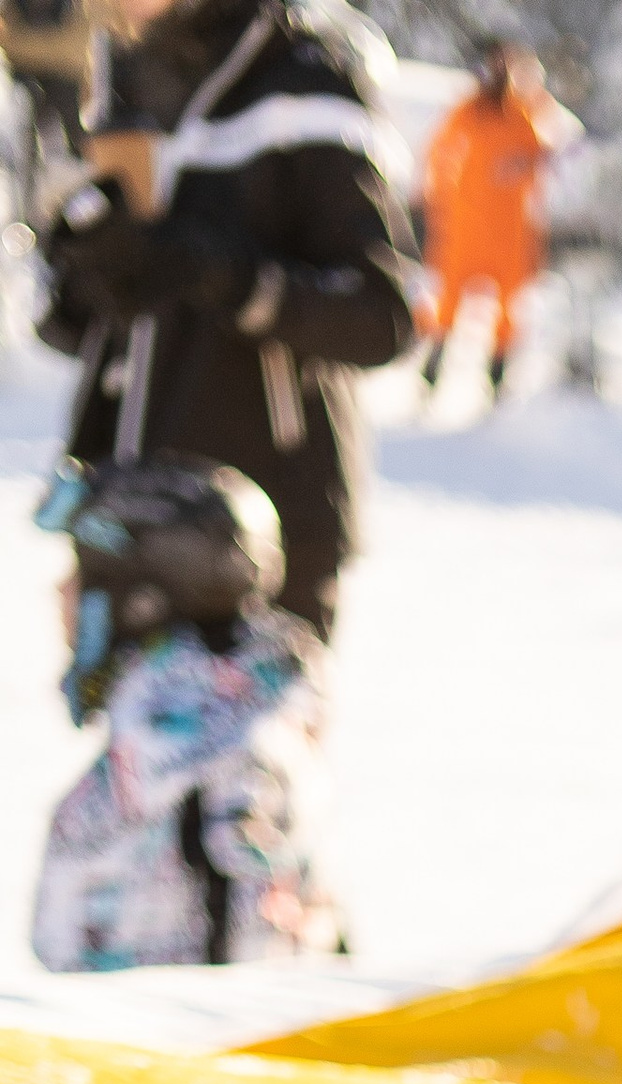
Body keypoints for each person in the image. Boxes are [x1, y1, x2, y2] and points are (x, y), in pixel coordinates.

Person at [36, 0, 415, 643]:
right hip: (126, 531)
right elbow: (80, 328)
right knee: (121, 719)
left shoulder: (303, 80)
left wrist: (222, 277)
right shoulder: (118, 77)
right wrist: (88, 264)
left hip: (262, 540)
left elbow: (380, 320)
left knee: (249, 720)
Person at [33, 453, 330, 971]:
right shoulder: (172, 729)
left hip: (166, 1020)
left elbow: (257, 961)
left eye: (84, 574)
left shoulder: (212, 755)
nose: (61, 592)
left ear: (137, 597)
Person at [418, 37, 575, 403]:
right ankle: (433, 366)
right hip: (467, 223)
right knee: (449, 299)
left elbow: (544, 155)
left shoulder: (523, 114)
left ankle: (496, 372)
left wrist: (522, 166)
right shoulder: (468, 110)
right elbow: (438, 152)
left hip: (506, 229)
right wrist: (440, 197)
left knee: (507, 305)